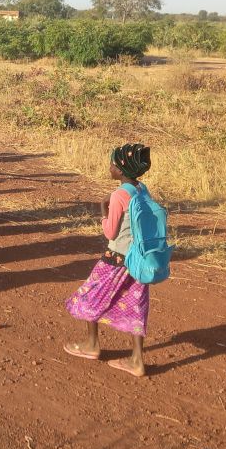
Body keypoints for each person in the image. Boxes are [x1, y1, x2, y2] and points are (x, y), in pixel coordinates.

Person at [64, 143, 154, 377]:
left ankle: (91, 344)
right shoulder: (142, 189)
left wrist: (103, 209)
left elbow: (110, 232)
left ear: (121, 169)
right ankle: (137, 360)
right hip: (137, 260)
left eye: (112, 164)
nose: (109, 168)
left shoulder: (119, 195)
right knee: (136, 306)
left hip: (116, 259)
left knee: (90, 295)